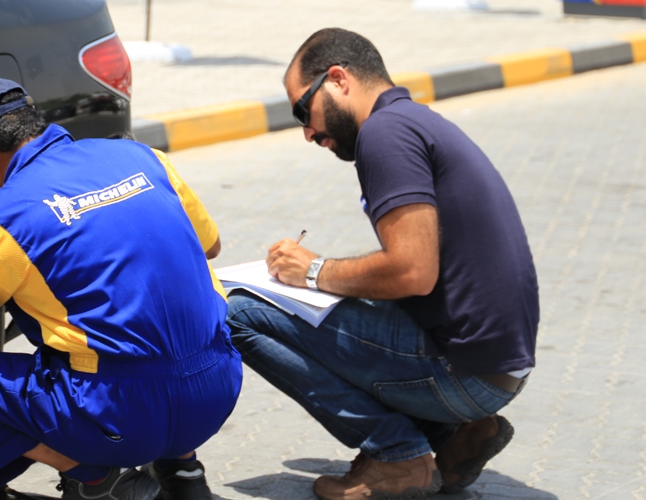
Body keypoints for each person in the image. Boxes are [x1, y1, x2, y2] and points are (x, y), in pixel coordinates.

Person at [225, 28, 539, 500]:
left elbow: (412, 272)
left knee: (237, 313)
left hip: (467, 375)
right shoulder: (412, 120)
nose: (308, 133)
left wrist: (311, 272)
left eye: (301, 111)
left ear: (337, 79)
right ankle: (457, 436)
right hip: (497, 366)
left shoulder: (383, 134)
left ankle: (396, 456)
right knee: (317, 303)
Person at [0, 78, 241, 500]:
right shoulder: (144, 157)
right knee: (161, 314)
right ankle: (183, 474)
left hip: (118, 420)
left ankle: (90, 475)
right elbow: (210, 245)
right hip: (217, 391)